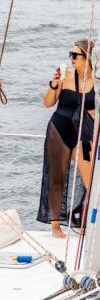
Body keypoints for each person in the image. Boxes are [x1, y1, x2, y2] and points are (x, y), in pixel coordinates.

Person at [38, 39, 96, 238]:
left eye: (75, 55)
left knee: (91, 181)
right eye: (70, 54)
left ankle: (83, 220)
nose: (71, 58)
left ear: (88, 58)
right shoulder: (64, 75)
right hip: (59, 128)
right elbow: (48, 103)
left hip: (83, 133)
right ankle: (55, 226)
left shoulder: (97, 81)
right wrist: (54, 85)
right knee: (57, 178)